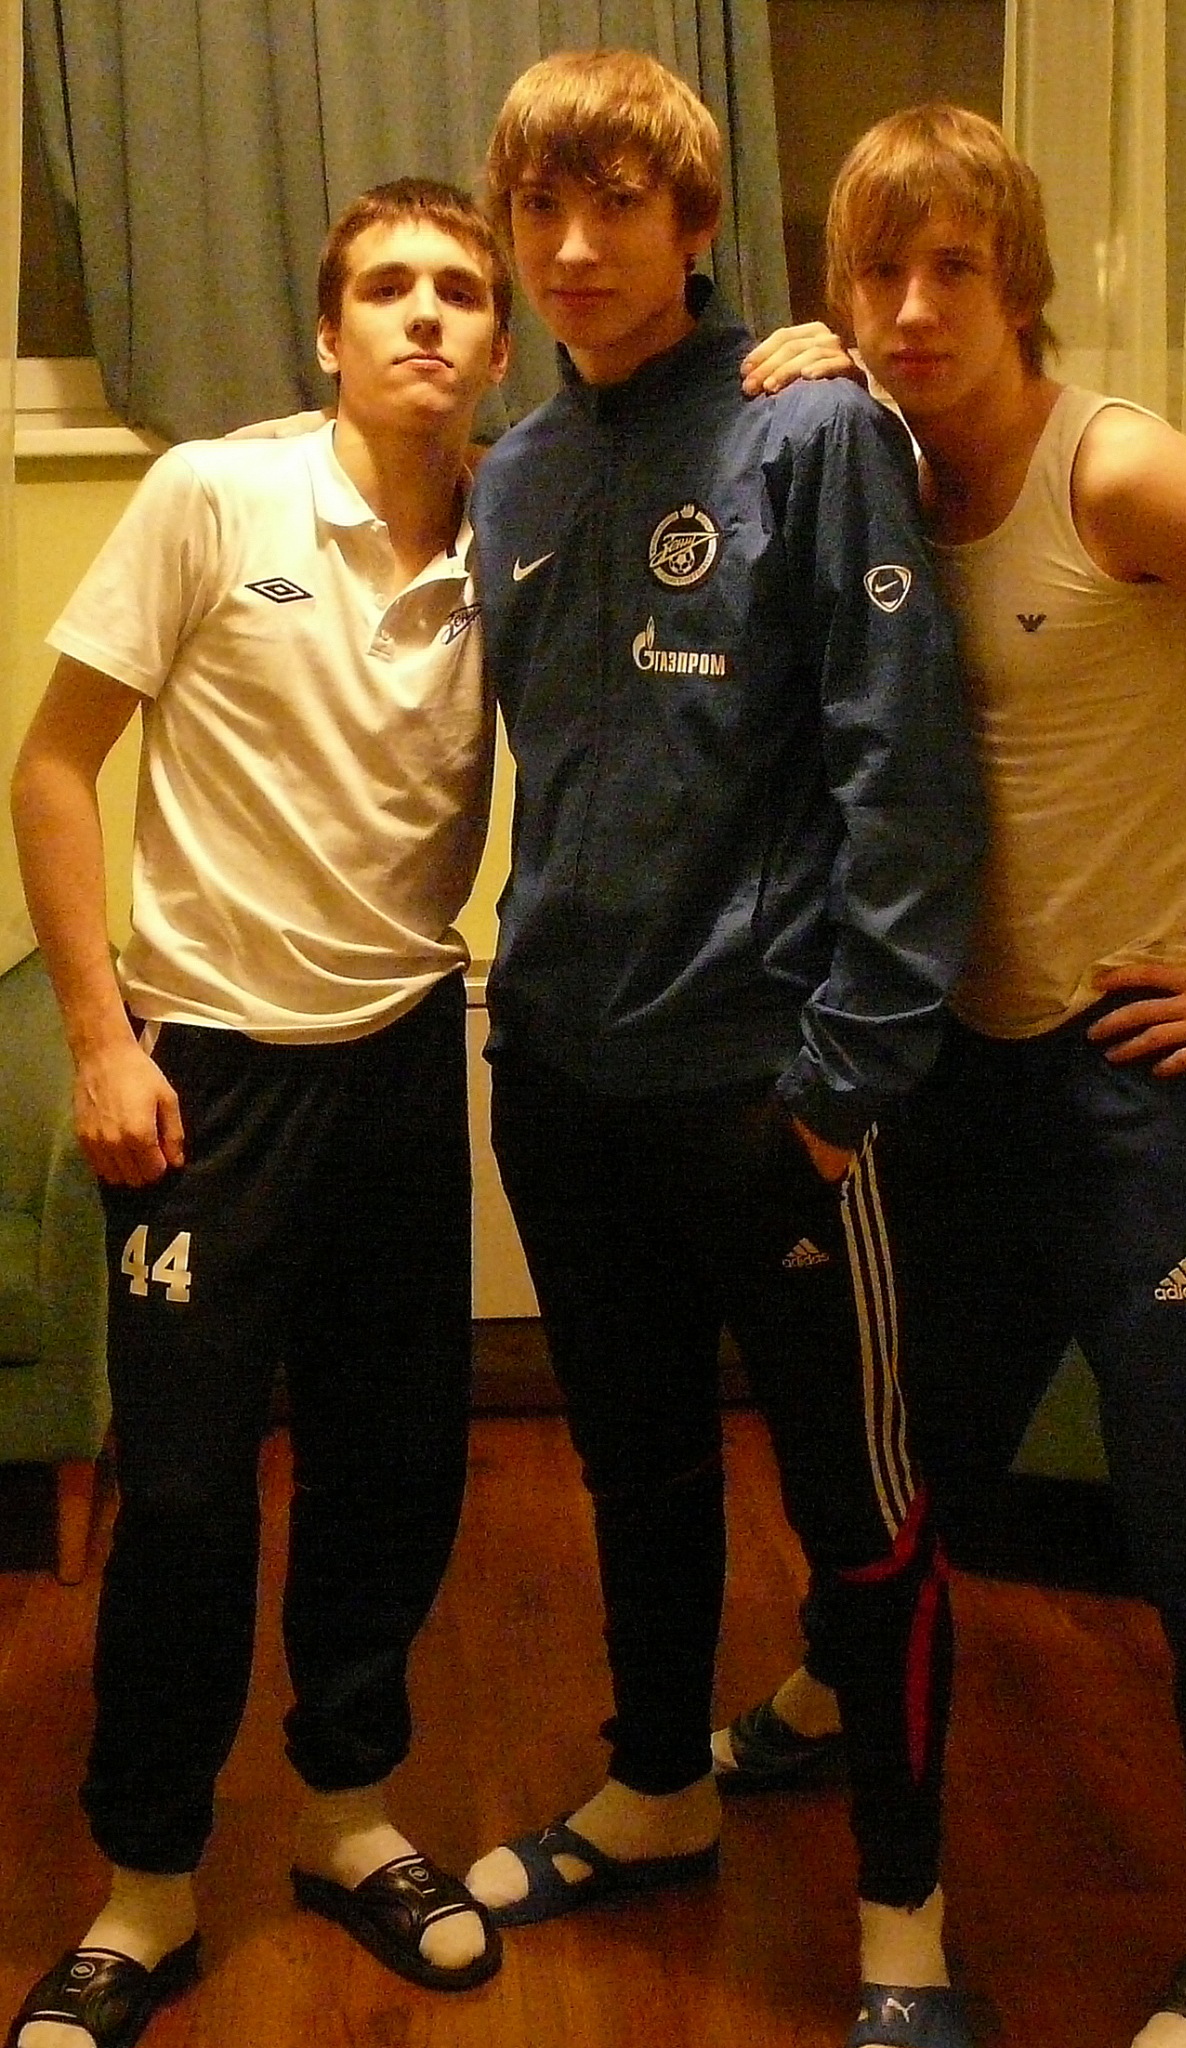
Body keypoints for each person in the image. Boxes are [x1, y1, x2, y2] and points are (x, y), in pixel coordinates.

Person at [715, 104, 1186, 2048]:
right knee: (905, 1464)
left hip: (1140, 1074)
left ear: (1018, 282)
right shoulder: (863, 461)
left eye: (951, 267)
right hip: (943, 1072)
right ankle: (836, 1682)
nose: (911, 305)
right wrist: (784, 375)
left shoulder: (1118, 470)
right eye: (876, 271)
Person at [460, 51, 984, 2048]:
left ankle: (906, 1912)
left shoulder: (810, 427)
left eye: (621, 204)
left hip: (767, 1091)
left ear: (693, 224)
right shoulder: (514, 471)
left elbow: (902, 776)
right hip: (560, 1075)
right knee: (639, 1461)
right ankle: (658, 1781)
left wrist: (842, 1093)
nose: (576, 245)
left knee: (859, 1504)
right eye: (543, 208)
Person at [7, 179, 511, 2048]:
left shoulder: (521, 527)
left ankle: (345, 1813)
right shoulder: (213, 495)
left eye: (460, 289)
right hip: (207, 1069)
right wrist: (100, 1039)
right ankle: (146, 1884)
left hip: (403, 1059)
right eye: (386, 286)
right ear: (328, 330)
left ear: (500, 346)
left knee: (394, 1464)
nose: (424, 314)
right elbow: (53, 768)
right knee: (188, 1492)